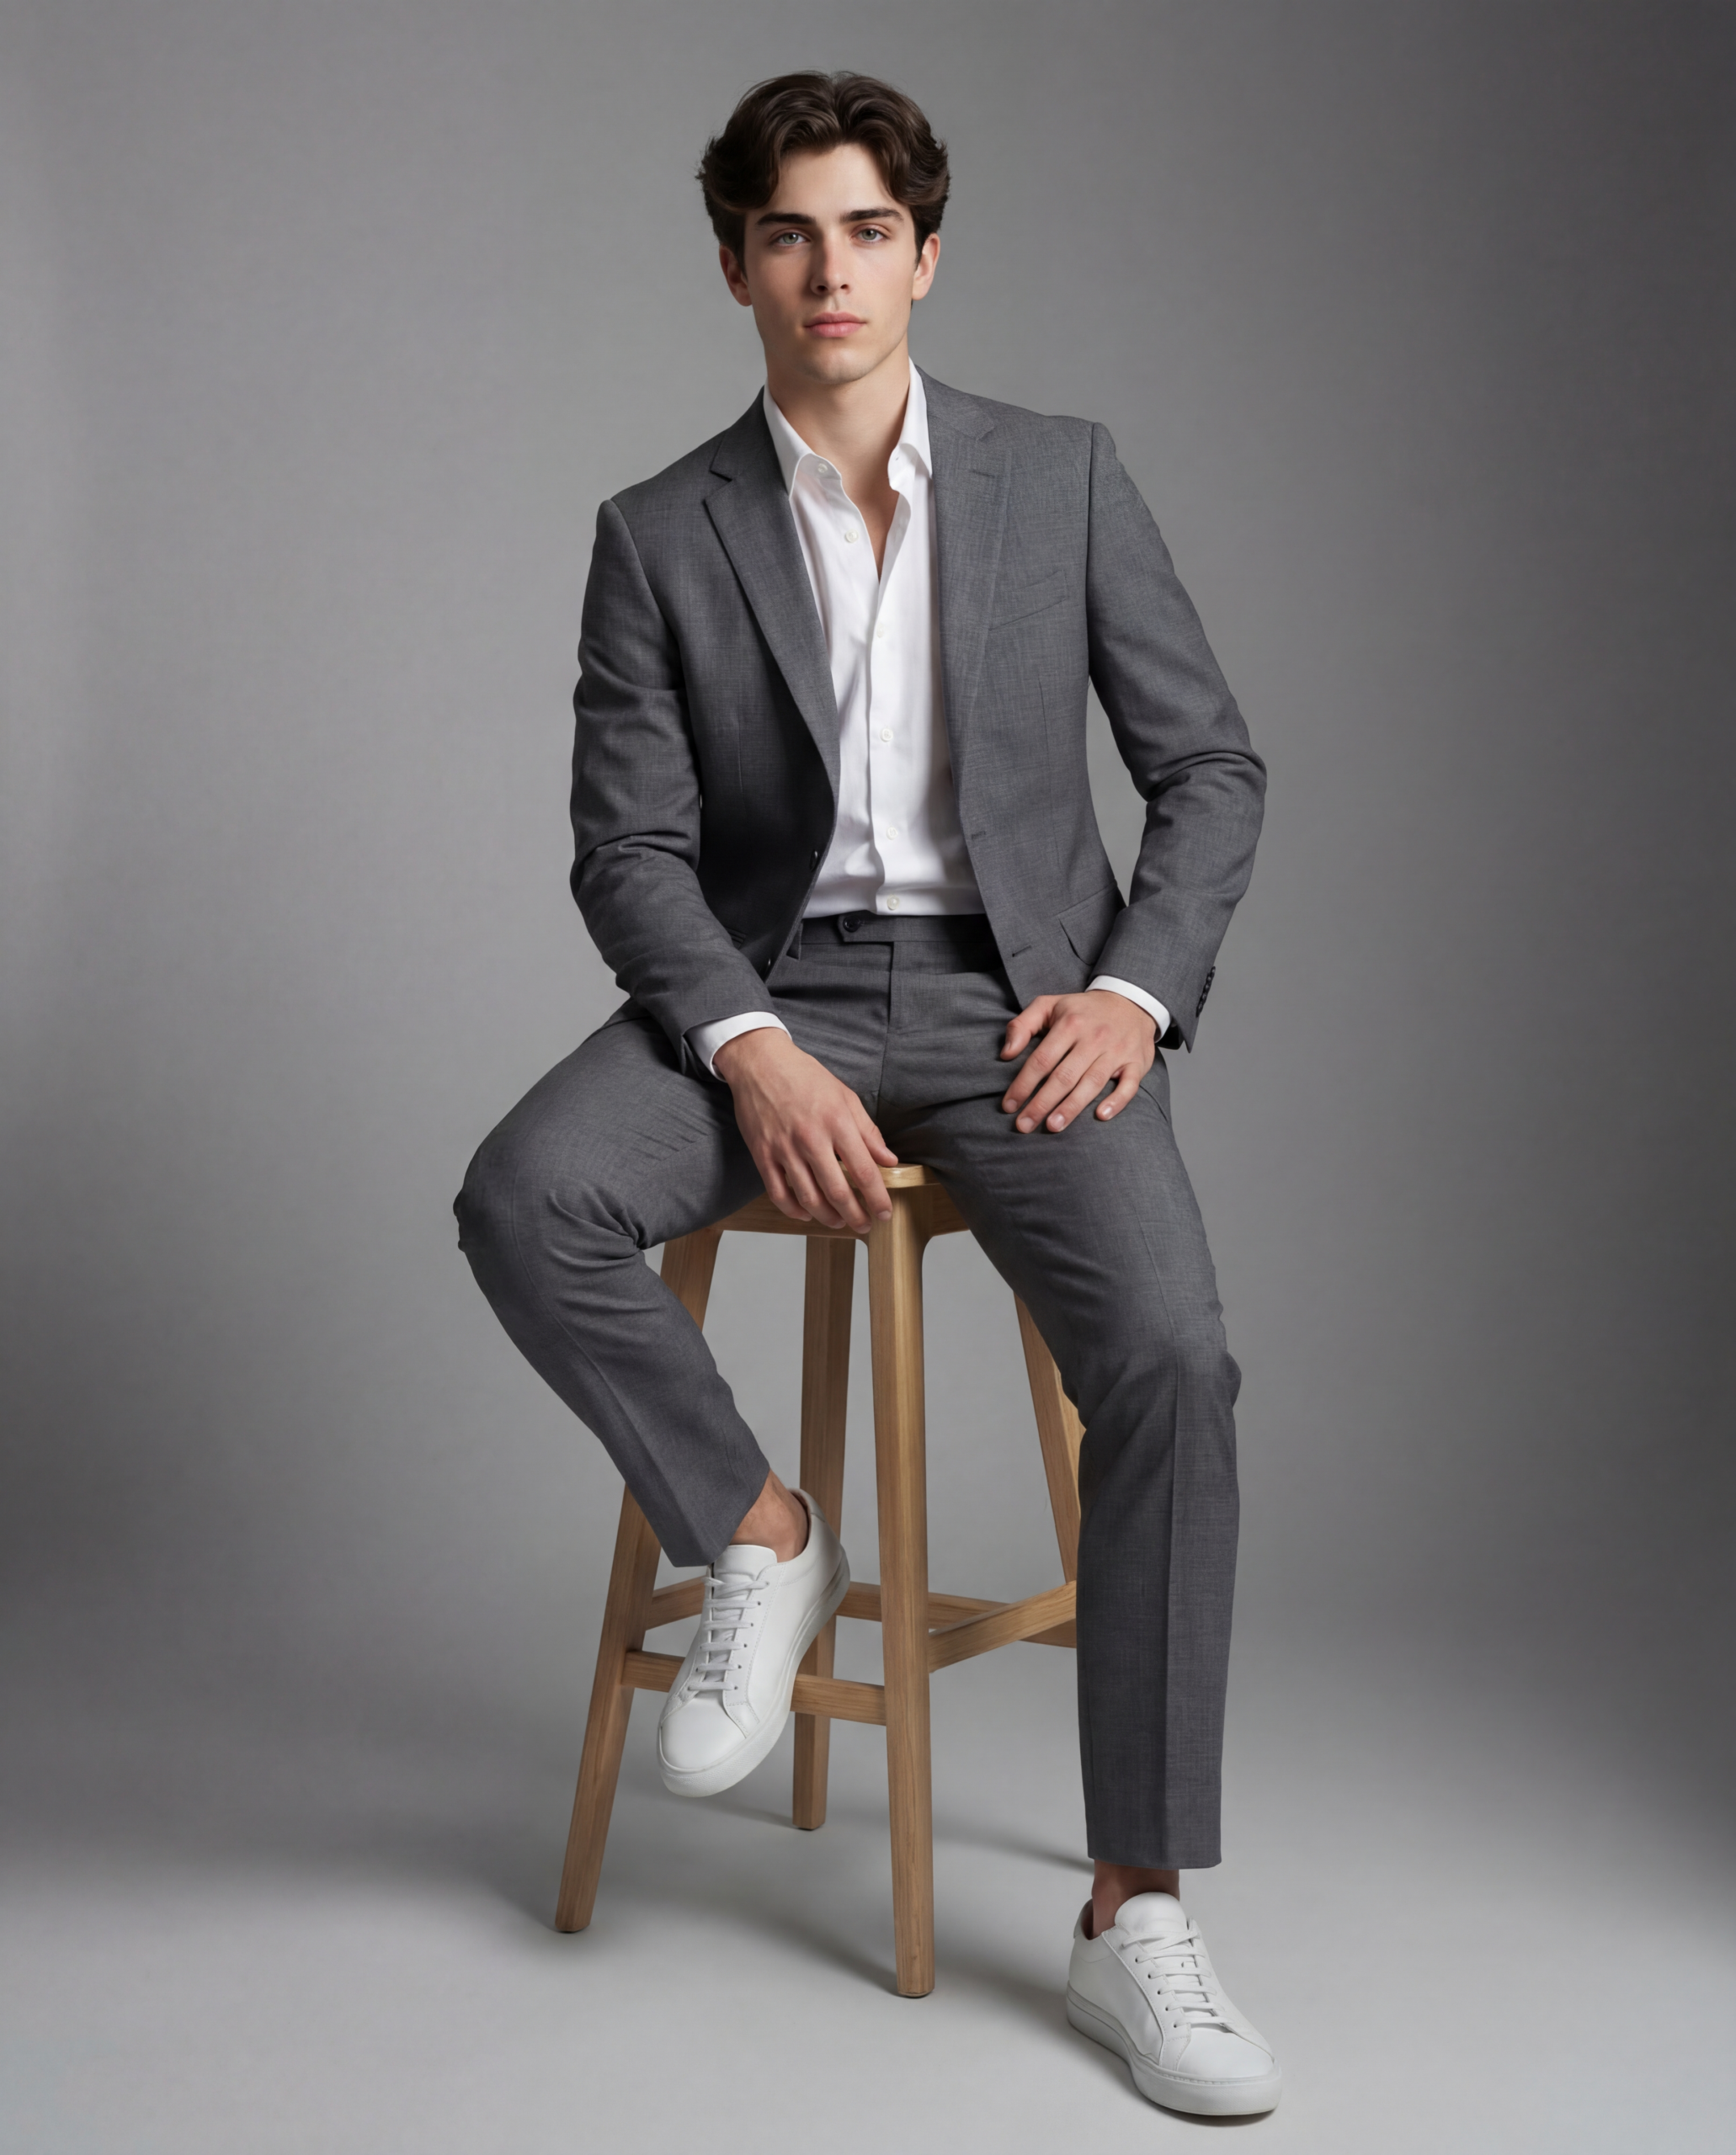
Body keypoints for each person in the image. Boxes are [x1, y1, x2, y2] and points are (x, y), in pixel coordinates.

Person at [455, 70, 1278, 2118]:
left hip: (1022, 1010)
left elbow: (1209, 771)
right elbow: (627, 850)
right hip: (768, 993)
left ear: (926, 251)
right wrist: (745, 1038)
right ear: (732, 261)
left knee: (1172, 1357)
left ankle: (1134, 1909)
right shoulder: (655, 533)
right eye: (789, 234)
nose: (831, 272)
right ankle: (756, 1527)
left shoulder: (1061, 478)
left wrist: (1133, 990)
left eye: (868, 231)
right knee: (521, 1194)